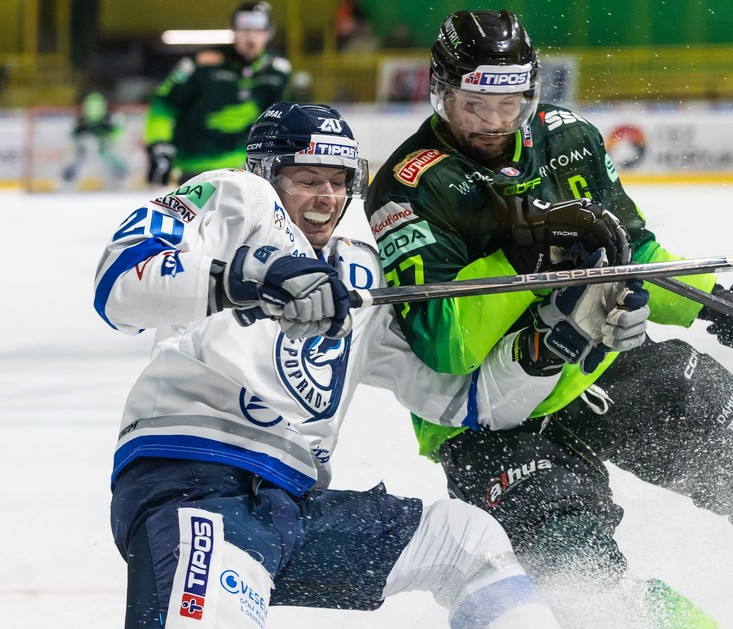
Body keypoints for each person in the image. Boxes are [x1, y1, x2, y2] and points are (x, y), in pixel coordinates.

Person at [365, 9, 733, 629]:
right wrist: (527, 256)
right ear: (440, 92)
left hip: (603, 359)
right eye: (474, 106)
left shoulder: (568, 140)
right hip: (486, 416)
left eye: (510, 103)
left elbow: (638, 253)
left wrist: (724, 308)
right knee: (587, 587)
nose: (493, 123)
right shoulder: (409, 189)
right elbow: (444, 347)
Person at [96, 101, 565, 628]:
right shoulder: (236, 197)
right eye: (307, 179)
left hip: (292, 509)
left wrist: (556, 341)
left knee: (466, 543)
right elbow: (119, 281)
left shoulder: (360, 272)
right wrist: (251, 278)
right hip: (196, 486)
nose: (326, 197)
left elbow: (463, 398)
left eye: (339, 180)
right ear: (266, 175)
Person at [144, 1, 291, 186]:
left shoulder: (279, 70)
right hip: (194, 168)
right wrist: (158, 142)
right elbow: (163, 105)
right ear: (233, 30)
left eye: (258, 31)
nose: (251, 38)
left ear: (269, 33)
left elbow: (284, 119)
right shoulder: (200, 64)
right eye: (244, 30)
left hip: (248, 169)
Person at [61, 90, 128, 189]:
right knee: (80, 156)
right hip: (88, 141)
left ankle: (119, 177)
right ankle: (68, 179)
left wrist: (107, 135)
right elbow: (74, 134)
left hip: (102, 141)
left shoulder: (107, 120)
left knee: (108, 155)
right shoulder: (82, 121)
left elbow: (117, 132)